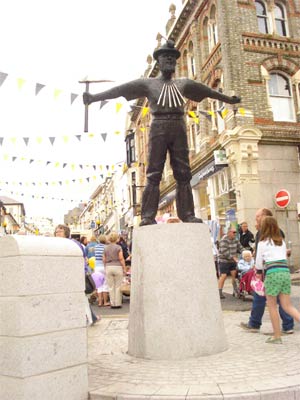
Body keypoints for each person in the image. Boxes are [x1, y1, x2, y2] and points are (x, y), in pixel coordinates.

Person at [83, 40, 240, 226]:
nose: (170, 61)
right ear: (158, 61)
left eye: (172, 58)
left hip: (179, 125)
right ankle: (148, 216)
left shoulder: (184, 84)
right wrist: (94, 98)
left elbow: (208, 92)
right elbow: (120, 90)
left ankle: (187, 214)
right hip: (158, 126)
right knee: (154, 172)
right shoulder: (148, 84)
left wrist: (229, 99)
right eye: (166, 57)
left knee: (184, 173)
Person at [240, 208, 294, 334]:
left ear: (265, 217)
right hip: (281, 270)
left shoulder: (263, 233)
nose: (256, 219)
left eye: (258, 216)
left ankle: (256, 324)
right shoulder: (277, 232)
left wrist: (258, 269)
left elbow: (261, 254)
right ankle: (287, 325)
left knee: (262, 296)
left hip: (267, 271)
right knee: (280, 299)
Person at [256, 216, 300, 344]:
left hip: (273, 273)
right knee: (287, 305)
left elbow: (259, 263)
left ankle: (277, 335)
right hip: (285, 273)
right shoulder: (281, 242)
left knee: (272, 306)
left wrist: (259, 271)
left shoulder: (262, 243)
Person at [54, 224, 100, 326]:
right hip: (67, 274)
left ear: (66, 233)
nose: (57, 233)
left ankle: (90, 318)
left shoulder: (72, 243)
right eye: (56, 232)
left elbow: (81, 258)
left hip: (77, 274)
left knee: (79, 297)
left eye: (60, 232)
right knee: (79, 297)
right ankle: (91, 317)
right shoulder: (58, 244)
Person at [217, 227, 244, 299]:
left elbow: (240, 248)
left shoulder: (236, 239)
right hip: (224, 261)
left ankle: (235, 290)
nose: (235, 234)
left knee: (234, 275)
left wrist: (246, 253)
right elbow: (224, 251)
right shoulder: (224, 240)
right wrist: (233, 257)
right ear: (229, 232)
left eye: (236, 232)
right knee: (224, 275)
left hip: (232, 261)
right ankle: (219, 292)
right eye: (233, 232)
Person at [103, 231, 127, 308]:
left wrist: (105, 266)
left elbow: (103, 259)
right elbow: (121, 258)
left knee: (110, 286)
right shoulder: (118, 247)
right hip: (117, 266)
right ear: (117, 239)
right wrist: (124, 268)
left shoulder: (105, 248)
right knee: (118, 286)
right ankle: (117, 303)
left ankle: (112, 303)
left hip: (108, 266)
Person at [94, 234, 110, 307]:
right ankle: (105, 302)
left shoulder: (96, 247)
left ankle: (100, 302)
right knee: (105, 284)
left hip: (97, 267)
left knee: (99, 285)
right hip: (104, 267)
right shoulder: (106, 247)